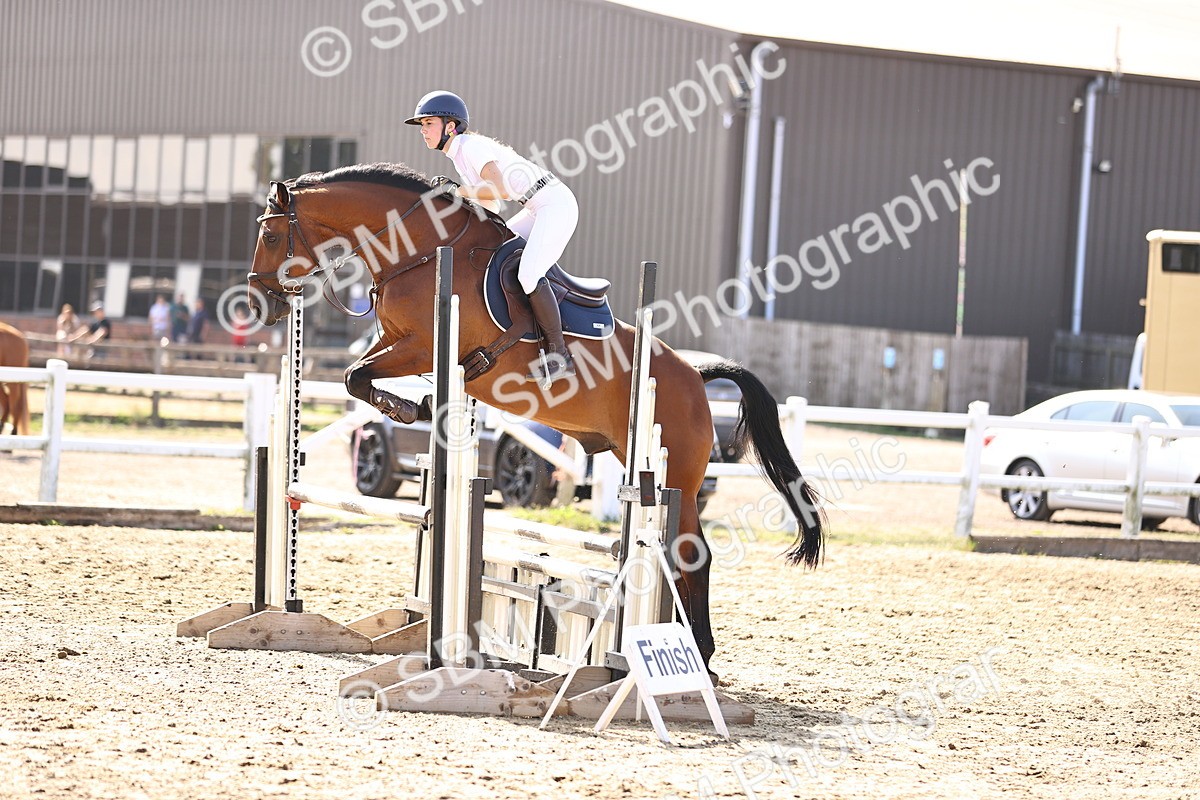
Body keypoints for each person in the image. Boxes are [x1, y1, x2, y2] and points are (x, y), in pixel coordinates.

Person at [406, 90, 578, 385]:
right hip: (535, 206)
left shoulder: (469, 146)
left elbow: (496, 188)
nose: (423, 131)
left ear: (450, 126)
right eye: (422, 125)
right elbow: (492, 206)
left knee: (528, 274)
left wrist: (457, 191)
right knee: (493, 254)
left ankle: (560, 356)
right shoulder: (458, 154)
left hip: (554, 204)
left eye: (429, 123)